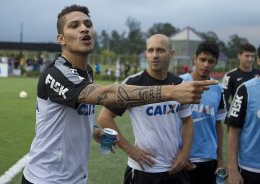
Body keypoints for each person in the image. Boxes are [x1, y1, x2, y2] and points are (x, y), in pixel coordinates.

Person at [22, 5, 217, 184]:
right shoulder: (56, 71)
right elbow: (107, 95)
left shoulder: (86, 71)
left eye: (88, 24)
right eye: (74, 25)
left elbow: (73, 115)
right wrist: (171, 91)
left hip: (75, 178)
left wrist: (95, 131)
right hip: (45, 178)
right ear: (61, 39)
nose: (84, 28)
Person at [97, 34, 194, 184]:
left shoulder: (179, 83)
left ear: (171, 53)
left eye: (160, 50)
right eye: (150, 50)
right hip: (143, 170)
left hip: (174, 168)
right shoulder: (132, 83)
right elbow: (104, 117)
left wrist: (185, 153)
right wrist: (130, 149)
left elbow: (187, 120)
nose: (154, 55)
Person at [180, 41, 227, 184]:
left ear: (215, 63)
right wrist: (180, 153)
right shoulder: (179, 83)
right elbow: (168, 122)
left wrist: (220, 160)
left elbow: (218, 125)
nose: (206, 64)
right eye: (202, 60)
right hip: (182, 158)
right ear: (195, 59)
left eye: (211, 61)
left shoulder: (218, 88)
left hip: (208, 158)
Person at [227, 46, 260, 184]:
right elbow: (233, 131)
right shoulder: (245, 89)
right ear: (259, 61)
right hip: (251, 169)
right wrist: (233, 169)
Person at [222, 43, 259, 126]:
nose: (250, 59)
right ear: (239, 56)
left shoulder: (258, 74)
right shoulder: (230, 75)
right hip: (237, 120)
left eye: (252, 56)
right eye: (247, 56)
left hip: (255, 119)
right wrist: (232, 114)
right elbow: (224, 98)